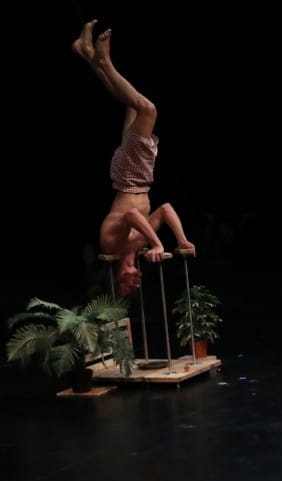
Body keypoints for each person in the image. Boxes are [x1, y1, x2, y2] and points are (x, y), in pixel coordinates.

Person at [73, 20, 195, 296]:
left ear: (117, 280)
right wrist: (182, 240)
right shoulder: (137, 246)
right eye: (135, 287)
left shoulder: (112, 247)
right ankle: (87, 53)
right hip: (139, 176)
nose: (135, 284)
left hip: (130, 177)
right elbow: (165, 209)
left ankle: (104, 62)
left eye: (128, 286)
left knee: (147, 110)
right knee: (133, 105)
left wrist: (157, 244)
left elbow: (130, 215)